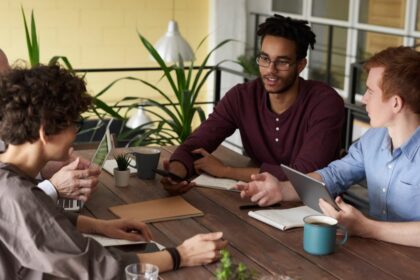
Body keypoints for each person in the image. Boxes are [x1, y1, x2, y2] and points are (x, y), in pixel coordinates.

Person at [0, 64, 227, 278]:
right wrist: (182, 255)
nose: (75, 133)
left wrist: (100, 226)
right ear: (45, 133)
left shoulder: (10, 180)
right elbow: (96, 268)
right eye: (73, 124)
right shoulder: (17, 194)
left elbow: (38, 218)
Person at [238, 46, 420, 247]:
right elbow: (335, 174)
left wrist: (368, 228)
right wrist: (283, 189)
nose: (364, 100)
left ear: (396, 103)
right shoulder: (373, 139)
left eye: (370, 91)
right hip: (377, 254)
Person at [161, 14, 344, 194]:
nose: (270, 70)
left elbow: (302, 175)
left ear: (301, 65)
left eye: (282, 62)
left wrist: (226, 172)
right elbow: (197, 143)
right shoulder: (242, 97)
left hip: (314, 208)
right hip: (257, 197)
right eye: (265, 59)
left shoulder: (325, 102)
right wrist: (176, 173)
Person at [0, 48, 100, 202]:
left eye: (6, 77)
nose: (6, 89)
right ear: (45, 131)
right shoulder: (14, 194)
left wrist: (44, 164)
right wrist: (53, 188)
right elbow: (13, 204)